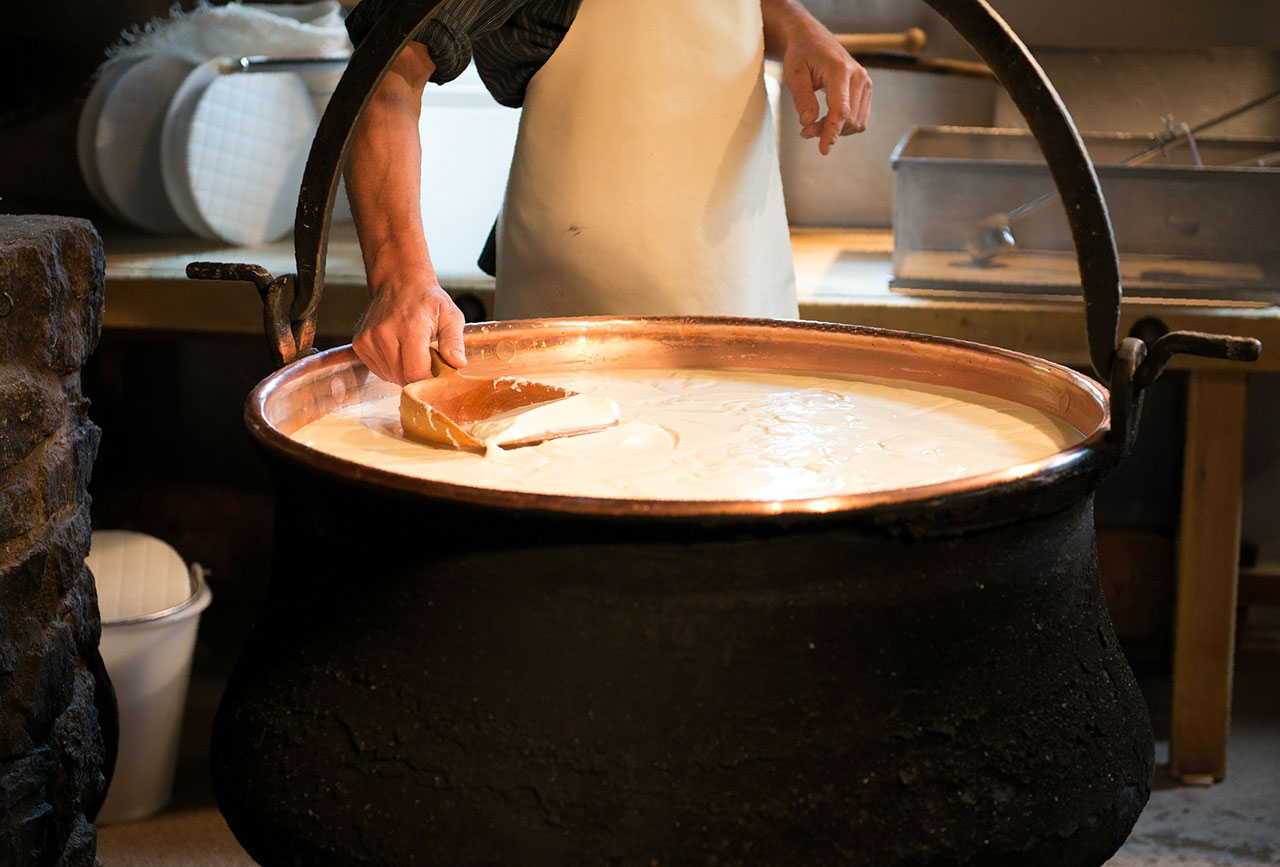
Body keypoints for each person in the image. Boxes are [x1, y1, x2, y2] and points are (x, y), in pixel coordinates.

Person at [344, 0, 872, 385]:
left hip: (752, 291)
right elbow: (387, 67)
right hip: (578, 331)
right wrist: (400, 278)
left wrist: (800, 27)